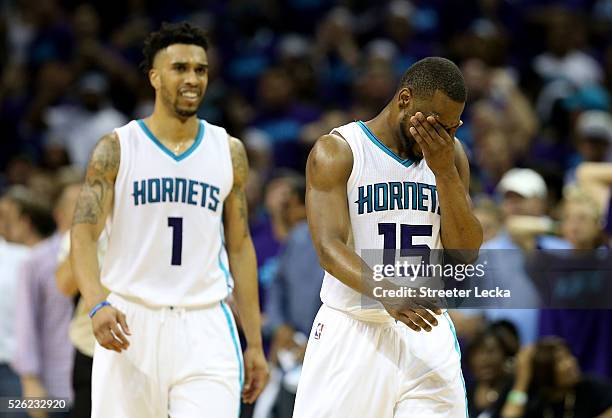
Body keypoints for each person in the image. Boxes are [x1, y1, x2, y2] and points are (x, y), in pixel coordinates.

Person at [70, 22, 268, 418]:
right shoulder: (118, 147)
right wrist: (95, 303)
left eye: (201, 69)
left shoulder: (228, 151)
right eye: (180, 68)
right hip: (131, 321)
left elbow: (241, 245)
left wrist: (256, 345)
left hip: (205, 324)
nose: (193, 78)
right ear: (154, 77)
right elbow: (83, 233)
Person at [293, 57, 483, 417]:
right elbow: (328, 248)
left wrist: (444, 173)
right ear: (405, 99)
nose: (441, 136)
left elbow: (465, 253)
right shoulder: (339, 151)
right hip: (353, 331)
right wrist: (386, 290)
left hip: (426, 334)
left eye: (451, 128)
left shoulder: (449, 156)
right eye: (434, 124)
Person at [501, 338, 612, 418]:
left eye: (569, 356)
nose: (571, 363)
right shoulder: (533, 398)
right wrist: (522, 381)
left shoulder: (590, 386)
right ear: (544, 371)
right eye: (560, 360)